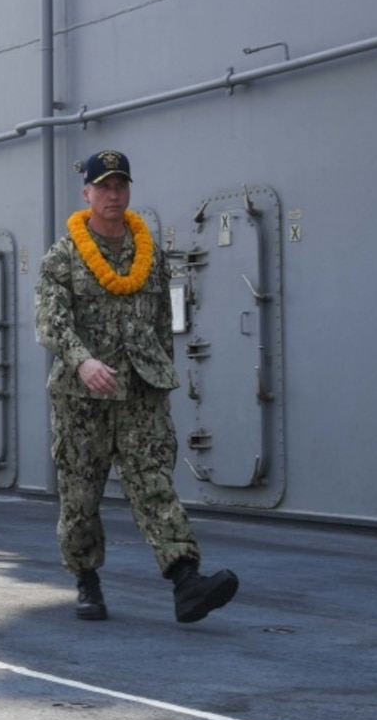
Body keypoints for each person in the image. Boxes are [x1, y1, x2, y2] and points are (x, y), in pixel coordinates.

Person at [35, 150, 239, 623]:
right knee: (80, 495)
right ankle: (86, 579)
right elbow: (50, 322)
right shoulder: (61, 257)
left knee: (154, 484)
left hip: (142, 391)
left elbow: (162, 322)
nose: (113, 194)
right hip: (82, 396)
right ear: (86, 194)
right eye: (103, 186)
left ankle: (186, 580)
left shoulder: (149, 256)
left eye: (120, 185)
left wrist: (164, 376)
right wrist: (83, 362)